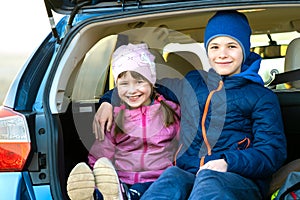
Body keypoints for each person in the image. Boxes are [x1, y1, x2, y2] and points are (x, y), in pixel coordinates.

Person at [93, 10, 287, 200]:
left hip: (238, 177)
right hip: (189, 171)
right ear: (207, 50)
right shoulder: (193, 84)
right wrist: (108, 101)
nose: (222, 54)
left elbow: (272, 152)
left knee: (210, 181)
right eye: (215, 47)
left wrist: (227, 162)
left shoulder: (262, 96)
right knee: (170, 178)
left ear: (244, 49)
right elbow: (144, 88)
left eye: (232, 46)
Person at [67, 43, 180, 200]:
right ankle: (95, 192)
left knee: (149, 189)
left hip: (158, 180)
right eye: (124, 84)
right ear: (116, 87)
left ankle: (121, 196)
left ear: (152, 82)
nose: (132, 90)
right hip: (121, 179)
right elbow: (101, 154)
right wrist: (96, 175)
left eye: (139, 82)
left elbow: (182, 147)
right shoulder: (114, 116)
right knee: (111, 187)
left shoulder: (170, 111)